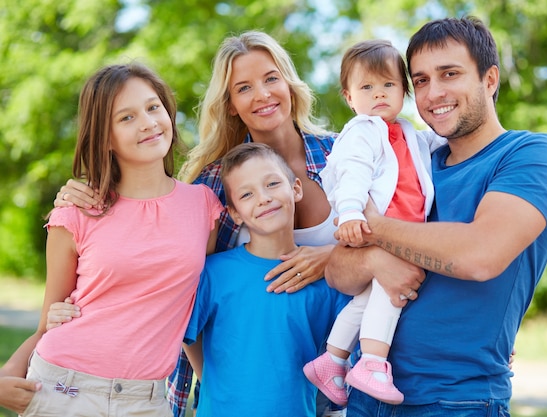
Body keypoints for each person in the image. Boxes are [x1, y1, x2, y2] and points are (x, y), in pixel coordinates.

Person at [49, 31, 344, 417]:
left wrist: (330, 258)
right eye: (243, 87)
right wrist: (83, 195)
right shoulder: (213, 186)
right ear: (232, 104)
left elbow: (392, 240)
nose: (262, 94)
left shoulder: (344, 156)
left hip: (338, 368)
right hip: (243, 386)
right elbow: (180, 274)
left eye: (271, 78)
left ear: (289, 82)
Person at [324, 16, 547, 417]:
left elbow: (479, 256)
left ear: (490, 80)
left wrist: (375, 227)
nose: (433, 92)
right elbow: (338, 270)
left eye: (450, 74)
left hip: (457, 400)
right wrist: (371, 257)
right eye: (420, 80)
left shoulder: (531, 156)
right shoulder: (412, 161)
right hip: (367, 393)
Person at [0, 63, 223, 416]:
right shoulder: (75, 213)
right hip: (64, 389)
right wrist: (5, 378)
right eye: (126, 117)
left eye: (153, 107)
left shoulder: (205, 206)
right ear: (105, 137)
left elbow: (194, 308)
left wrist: (217, 387)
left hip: (147, 400)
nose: (148, 123)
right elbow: (48, 323)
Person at [303, 40, 445, 406]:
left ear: (403, 91)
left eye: (389, 85)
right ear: (349, 96)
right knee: (391, 293)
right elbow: (352, 172)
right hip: (378, 228)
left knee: (366, 301)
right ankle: (372, 362)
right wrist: (350, 212)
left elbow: (434, 143)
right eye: (367, 87)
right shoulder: (362, 130)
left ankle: (332, 360)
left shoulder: (407, 132)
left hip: (400, 228)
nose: (379, 95)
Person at [180, 142, 349, 416]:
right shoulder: (213, 273)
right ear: (234, 213)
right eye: (247, 194)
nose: (263, 198)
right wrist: (212, 383)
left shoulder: (325, 279)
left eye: (272, 184)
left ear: (295, 189)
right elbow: (189, 338)